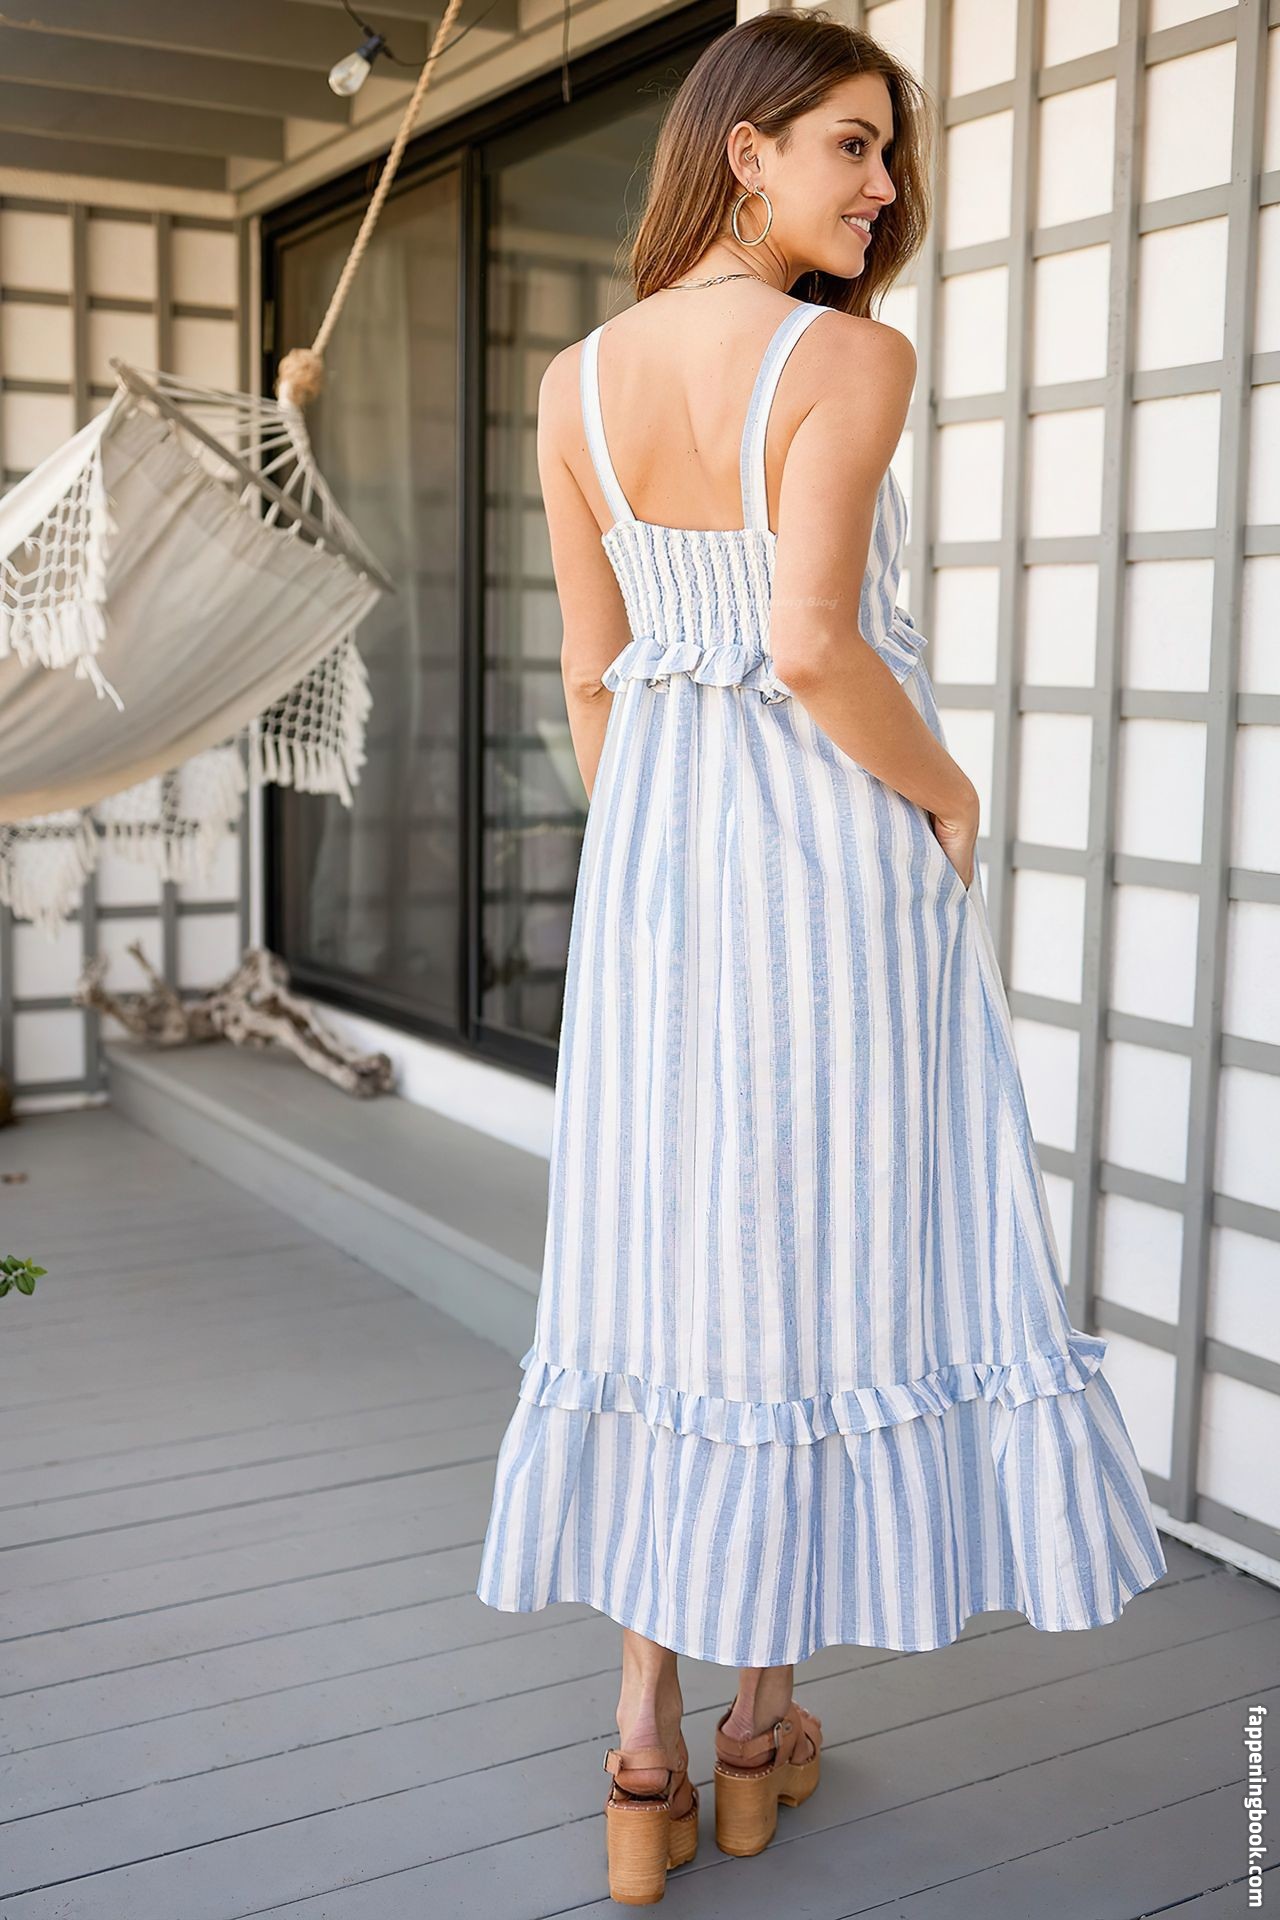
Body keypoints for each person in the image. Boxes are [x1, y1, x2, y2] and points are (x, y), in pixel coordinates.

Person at [475, 10, 1167, 1905]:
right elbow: (809, 641)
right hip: (831, 867)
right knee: (818, 1263)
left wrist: (661, 862)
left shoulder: (576, 383)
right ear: (746, 150)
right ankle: (759, 1731)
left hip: (658, 882)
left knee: (665, 1271)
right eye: (852, 145)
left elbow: (594, 678)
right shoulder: (847, 357)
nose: (881, 187)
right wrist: (948, 793)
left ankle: (644, 1748)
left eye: (888, 152)